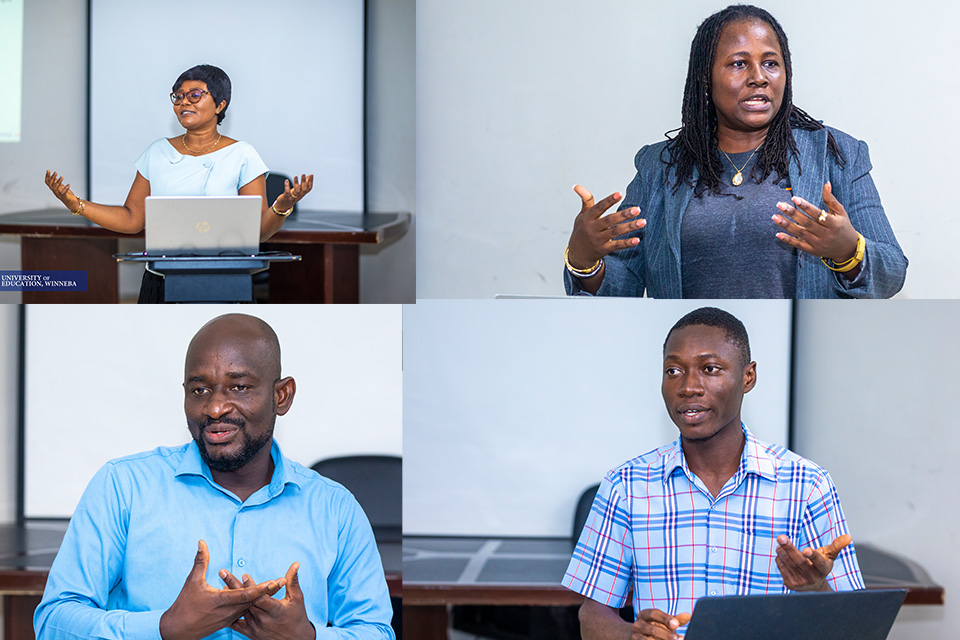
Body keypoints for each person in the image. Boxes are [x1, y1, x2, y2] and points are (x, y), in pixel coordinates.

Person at [34, 314, 394, 640]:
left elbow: (376, 632)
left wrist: (306, 639)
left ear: (281, 396)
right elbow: (53, 622)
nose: (215, 407)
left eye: (238, 387)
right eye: (199, 390)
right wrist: (164, 628)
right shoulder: (123, 487)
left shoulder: (335, 508)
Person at [563, 5, 906, 298]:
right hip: (699, 349)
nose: (759, 77)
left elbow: (892, 272)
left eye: (771, 63)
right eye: (739, 63)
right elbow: (622, 287)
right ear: (704, 79)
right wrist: (583, 260)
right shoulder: (661, 166)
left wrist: (849, 251)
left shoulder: (835, 154)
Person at [563, 307, 862, 640]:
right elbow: (593, 616)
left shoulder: (807, 484)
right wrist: (632, 637)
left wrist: (815, 587)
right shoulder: (626, 485)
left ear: (748, 377)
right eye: (673, 370)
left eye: (710, 369)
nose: (689, 387)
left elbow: (852, 626)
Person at [42, 64, 315, 303]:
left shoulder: (243, 154)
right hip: (161, 280)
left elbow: (257, 233)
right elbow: (132, 219)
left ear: (220, 105)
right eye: (178, 97)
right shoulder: (157, 151)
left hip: (226, 279)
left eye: (195, 95)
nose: (185, 102)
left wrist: (282, 206)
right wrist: (76, 204)